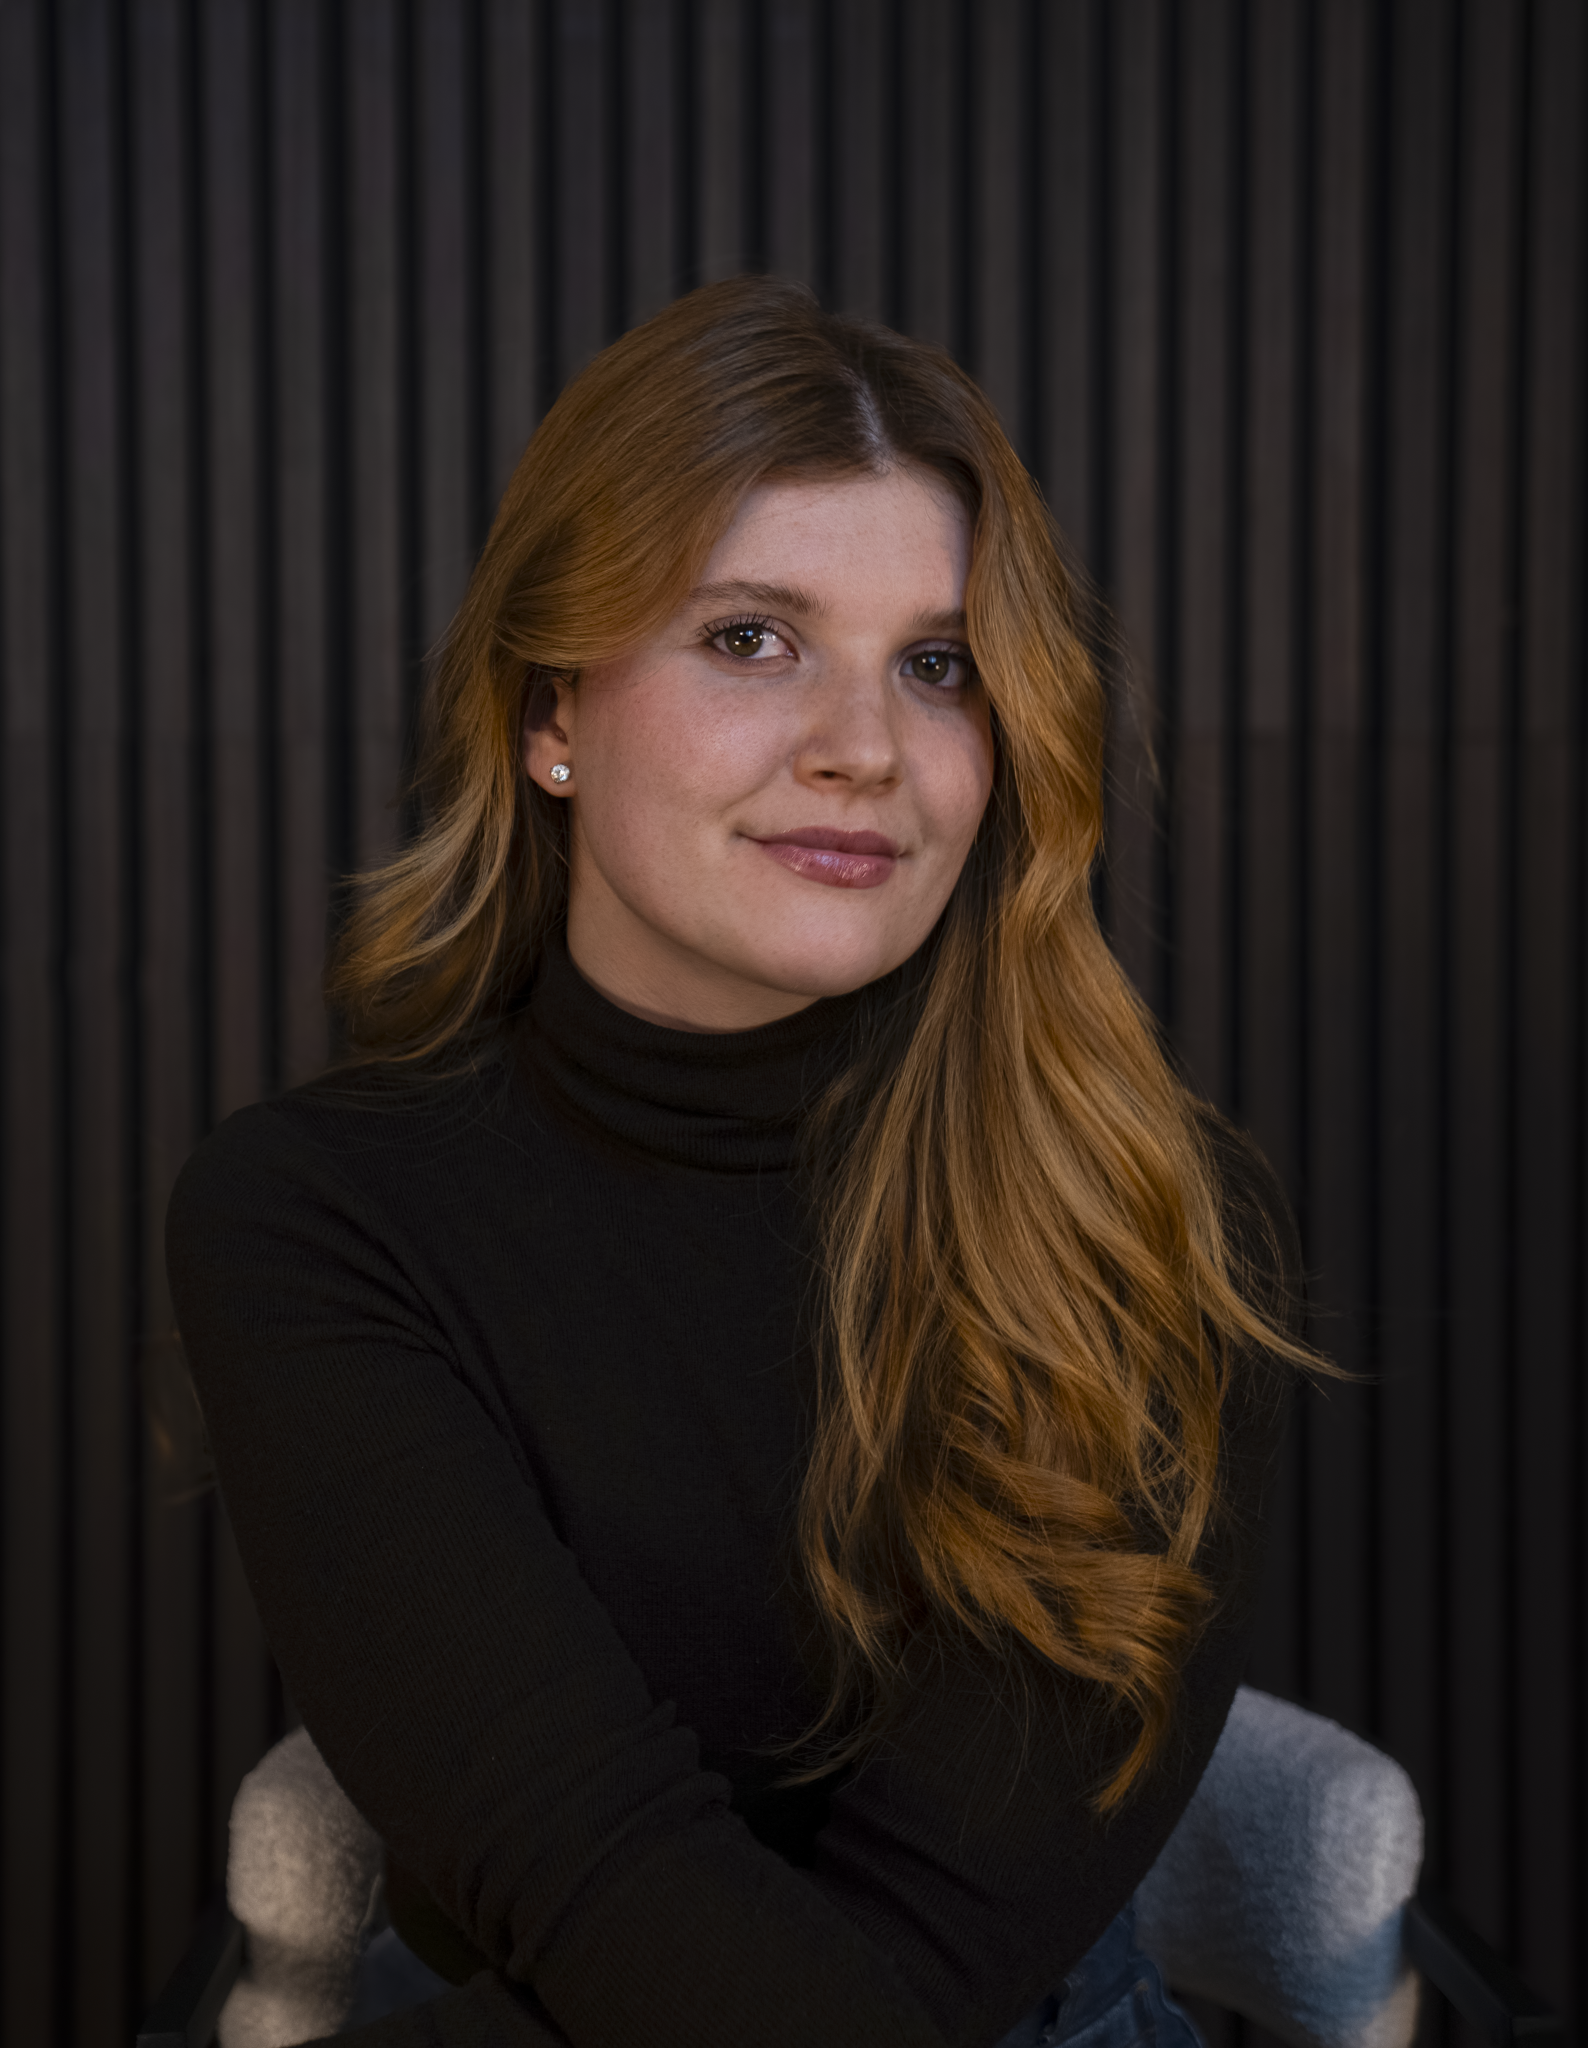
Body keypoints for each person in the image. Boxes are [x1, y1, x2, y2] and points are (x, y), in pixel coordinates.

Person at [167, 275, 1307, 2048]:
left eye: (937, 665)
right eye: (753, 638)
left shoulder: (1132, 1220)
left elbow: (933, 1959)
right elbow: (584, 1871)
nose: (864, 749)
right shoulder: (320, 1220)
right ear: (551, 711)